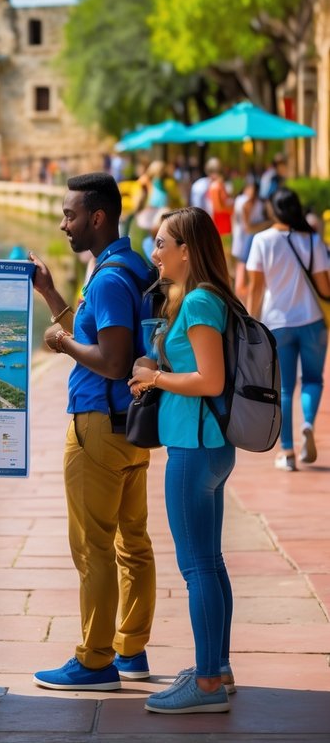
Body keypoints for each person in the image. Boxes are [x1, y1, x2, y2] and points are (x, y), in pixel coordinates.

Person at [29, 172, 156, 692]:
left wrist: (60, 344)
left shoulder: (106, 279)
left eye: (70, 215)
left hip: (98, 428)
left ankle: (95, 659)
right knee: (133, 543)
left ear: (97, 217)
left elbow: (111, 358)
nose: (64, 224)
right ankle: (130, 649)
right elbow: (96, 334)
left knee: (93, 549)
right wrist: (50, 292)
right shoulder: (131, 266)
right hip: (132, 425)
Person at [129, 206, 239, 715]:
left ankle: (209, 682)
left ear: (187, 251)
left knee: (197, 566)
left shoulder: (198, 301)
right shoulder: (204, 297)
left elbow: (209, 381)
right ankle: (216, 666)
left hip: (195, 448)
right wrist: (159, 364)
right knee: (210, 563)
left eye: (161, 243)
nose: (154, 252)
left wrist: (154, 379)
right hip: (208, 446)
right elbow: (197, 367)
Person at [246, 187, 330, 471]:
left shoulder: (262, 240)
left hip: (277, 323)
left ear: (274, 209)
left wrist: (251, 323)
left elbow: (256, 289)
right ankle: (307, 424)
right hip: (313, 321)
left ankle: (287, 452)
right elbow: (324, 288)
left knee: (282, 388)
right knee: (313, 380)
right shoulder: (313, 240)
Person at [230, 173, 270, 303]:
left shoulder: (257, 203)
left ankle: (245, 296)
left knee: (247, 268)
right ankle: (242, 296)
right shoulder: (244, 203)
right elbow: (248, 227)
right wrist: (265, 224)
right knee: (244, 267)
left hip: (248, 238)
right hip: (246, 238)